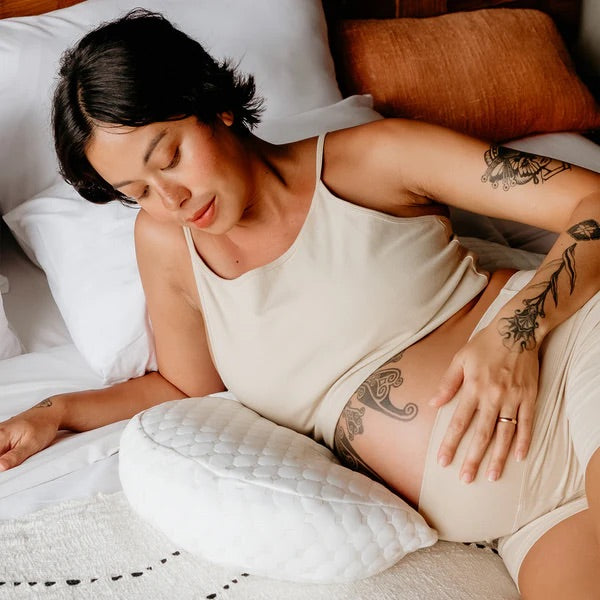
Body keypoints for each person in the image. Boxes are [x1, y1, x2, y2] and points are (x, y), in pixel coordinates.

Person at [1, 9, 599, 598]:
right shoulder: (166, 244)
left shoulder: (376, 157)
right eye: (137, 192)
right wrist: (59, 411)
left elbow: (592, 200)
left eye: (170, 158)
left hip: (575, 362)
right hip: (527, 517)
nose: (171, 198)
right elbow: (186, 387)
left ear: (214, 104)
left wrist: (515, 334)